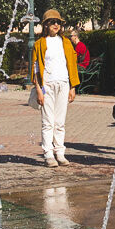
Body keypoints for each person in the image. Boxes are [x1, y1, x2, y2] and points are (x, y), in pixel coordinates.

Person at [32, 9, 80, 166]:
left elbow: (71, 65)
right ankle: (48, 154)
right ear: (45, 25)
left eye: (58, 22)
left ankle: (60, 152)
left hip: (63, 84)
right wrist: (39, 89)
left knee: (60, 122)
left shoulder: (65, 42)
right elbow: (35, 69)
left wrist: (73, 87)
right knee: (48, 121)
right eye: (52, 22)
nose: (55, 24)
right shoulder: (39, 44)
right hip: (47, 85)